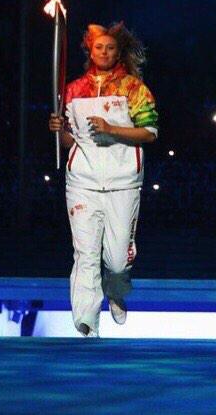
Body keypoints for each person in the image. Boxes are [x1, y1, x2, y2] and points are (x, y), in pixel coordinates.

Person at [48, 21, 159, 337]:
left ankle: (116, 289)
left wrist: (111, 130)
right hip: (82, 182)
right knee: (85, 254)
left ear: (118, 52)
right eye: (99, 47)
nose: (105, 52)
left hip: (123, 182)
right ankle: (86, 322)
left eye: (110, 48)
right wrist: (60, 130)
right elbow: (71, 142)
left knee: (117, 259)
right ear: (91, 50)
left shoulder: (134, 89)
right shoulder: (73, 90)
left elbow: (150, 133)